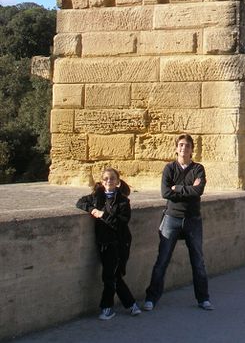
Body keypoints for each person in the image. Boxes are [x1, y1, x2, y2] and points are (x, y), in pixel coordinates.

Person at [144, 133, 212, 311]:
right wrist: (188, 189)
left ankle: (203, 298)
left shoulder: (198, 169)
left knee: (198, 261)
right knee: (162, 260)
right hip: (171, 218)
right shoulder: (169, 168)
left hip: (192, 220)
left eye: (187, 145)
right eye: (181, 145)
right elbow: (165, 193)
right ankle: (151, 299)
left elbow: (198, 191)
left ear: (191, 150)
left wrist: (178, 188)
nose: (184, 148)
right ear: (176, 148)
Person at [76, 167, 141, 320]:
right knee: (114, 276)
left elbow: (121, 222)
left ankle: (107, 307)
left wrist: (102, 215)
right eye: (106, 179)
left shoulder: (123, 200)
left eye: (112, 178)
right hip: (104, 242)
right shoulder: (97, 196)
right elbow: (80, 202)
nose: (109, 181)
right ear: (102, 181)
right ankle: (131, 305)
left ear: (117, 181)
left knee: (109, 276)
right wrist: (92, 209)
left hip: (119, 243)